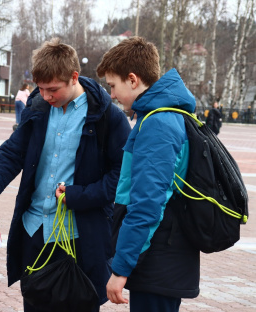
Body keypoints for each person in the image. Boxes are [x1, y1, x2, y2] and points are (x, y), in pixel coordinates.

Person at [0, 38, 131, 311]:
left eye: (53, 89)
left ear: (74, 77)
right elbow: (11, 154)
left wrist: (79, 196)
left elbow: (123, 176)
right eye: (40, 88)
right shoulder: (38, 106)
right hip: (34, 232)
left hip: (78, 238)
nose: (46, 95)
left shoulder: (108, 116)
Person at [96, 37, 200, 311]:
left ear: (132, 79)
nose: (112, 95)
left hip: (158, 259)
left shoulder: (158, 123)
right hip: (159, 256)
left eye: (113, 86)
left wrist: (120, 270)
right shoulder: (159, 116)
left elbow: (146, 205)